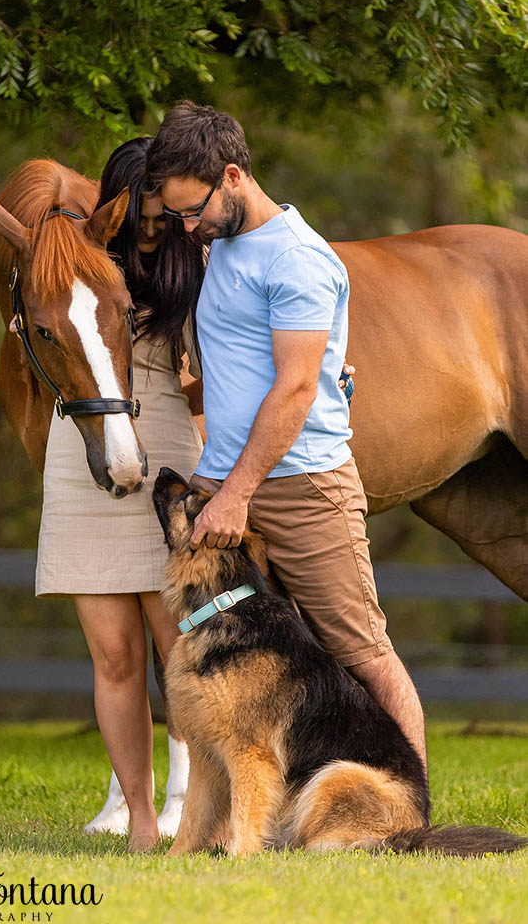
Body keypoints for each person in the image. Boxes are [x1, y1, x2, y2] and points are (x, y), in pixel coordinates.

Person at [145, 102, 427, 773]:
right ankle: (223, 827)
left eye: (194, 210)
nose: (187, 227)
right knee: (224, 652)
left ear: (234, 176)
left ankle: (406, 810)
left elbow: (296, 388)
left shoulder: (297, 258)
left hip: (301, 487)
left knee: (360, 652)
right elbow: (272, 368)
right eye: (178, 215)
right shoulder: (221, 245)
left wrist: (235, 494)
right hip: (222, 479)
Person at [34, 137, 205, 853]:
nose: (153, 228)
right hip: (79, 450)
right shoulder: (72, 247)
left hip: (163, 435)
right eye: (141, 212)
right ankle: (137, 818)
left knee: (179, 648)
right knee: (112, 655)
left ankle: (193, 809)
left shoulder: (195, 258)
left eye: (161, 215)